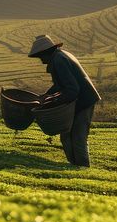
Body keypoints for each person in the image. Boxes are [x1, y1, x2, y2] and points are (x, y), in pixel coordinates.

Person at [28, 34, 101, 167]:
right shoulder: (59, 56)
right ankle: (74, 165)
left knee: (78, 137)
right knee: (66, 136)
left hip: (84, 101)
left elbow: (72, 90)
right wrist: (45, 95)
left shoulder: (59, 60)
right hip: (79, 100)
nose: (41, 60)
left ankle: (82, 168)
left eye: (40, 56)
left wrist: (54, 101)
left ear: (46, 52)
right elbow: (60, 84)